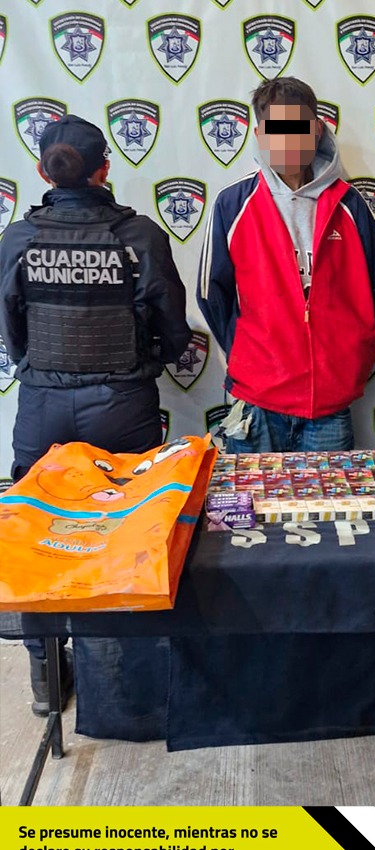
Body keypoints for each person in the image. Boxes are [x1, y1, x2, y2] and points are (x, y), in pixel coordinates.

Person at [0, 114, 191, 716]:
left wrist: (41, 367)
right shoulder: (140, 236)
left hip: (43, 409)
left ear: (42, 172)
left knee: (37, 541)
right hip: (122, 406)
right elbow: (174, 328)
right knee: (129, 535)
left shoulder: (18, 239)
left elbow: (10, 329)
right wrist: (145, 363)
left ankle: (46, 677)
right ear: (105, 168)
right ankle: (127, 681)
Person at [197, 76, 375, 453]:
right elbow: (211, 294)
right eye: (275, 131)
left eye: (296, 129)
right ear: (259, 135)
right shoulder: (233, 204)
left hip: (330, 402)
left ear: (316, 130)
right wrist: (252, 352)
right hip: (258, 400)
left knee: (327, 496)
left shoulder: (350, 205)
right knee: (252, 495)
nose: (286, 141)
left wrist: (348, 350)